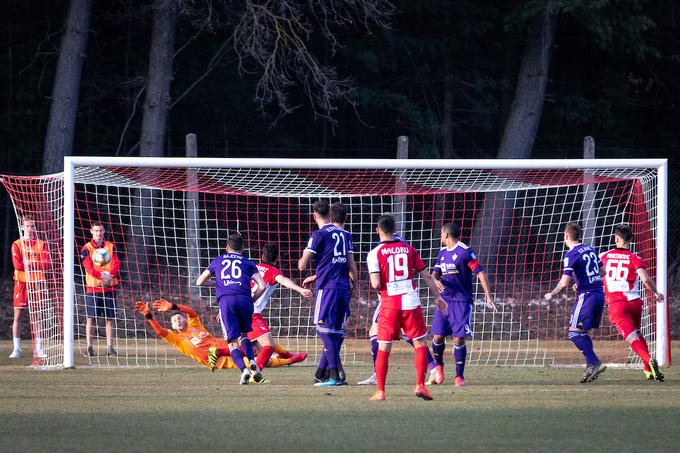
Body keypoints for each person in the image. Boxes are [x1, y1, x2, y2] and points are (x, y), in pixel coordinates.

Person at [366, 214, 445, 401]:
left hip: (390, 303)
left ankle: (381, 391)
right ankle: (420, 385)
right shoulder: (408, 249)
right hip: (410, 301)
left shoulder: (374, 253)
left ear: (377, 230)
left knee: (384, 345)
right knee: (419, 343)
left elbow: (376, 283)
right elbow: (427, 276)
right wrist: (438, 297)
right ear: (395, 230)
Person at [209, 242, 312, 370]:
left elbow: (235, 285)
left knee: (256, 349)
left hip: (234, 306)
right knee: (269, 346)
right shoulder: (273, 272)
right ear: (277, 258)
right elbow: (284, 281)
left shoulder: (252, 267)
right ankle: (256, 373)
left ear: (262, 256)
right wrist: (300, 290)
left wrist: (225, 309)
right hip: (251, 312)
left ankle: (218, 352)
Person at [353, 232, 438, 386]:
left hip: (391, 299)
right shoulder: (403, 245)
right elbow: (422, 273)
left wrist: (381, 291)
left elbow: (378, 280)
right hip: (408, 297)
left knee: (377, 332)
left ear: (379, 229)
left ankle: (377, 377)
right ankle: (433, 369)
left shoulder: (379, 249)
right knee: (413, 336)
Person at [133, 299, 298, 373]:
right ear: (173, 328)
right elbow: (161, 332)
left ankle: (286, 353)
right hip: (222, 361)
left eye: (179, 317)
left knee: (260, 345)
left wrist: (173, 307)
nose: (177, 320)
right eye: (174, 321)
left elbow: (191, 311)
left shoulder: (194, 325)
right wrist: (149, 316)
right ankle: (290, 360)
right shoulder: (179, 340)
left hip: (228, 345)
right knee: (257, 363)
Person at [298, 201, 357, 386]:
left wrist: (306, 256)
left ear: (315, 215)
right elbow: (351, 264)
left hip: (327, 289)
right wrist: (352, 286)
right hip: (343, 287)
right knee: (336, 333)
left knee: (323, 331)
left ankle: (335, 374)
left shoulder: (318, 234)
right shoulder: (345, 234)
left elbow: (302, 265)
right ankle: (321, 373)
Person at [430, 222, 496, 387]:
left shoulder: (465, 252)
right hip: (444, 301)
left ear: (446, 235)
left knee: (458, 339)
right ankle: (439, 367)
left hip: (461, 301)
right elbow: (434, 273)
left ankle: (459, 376)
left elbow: (480, 272)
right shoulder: (442, 252)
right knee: (437, 336)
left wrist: (488, 295)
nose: (440, 237)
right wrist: (435, 280)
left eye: (441, 234)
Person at [196, 233, 267, 384]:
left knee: (232, 342)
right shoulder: (248, 263)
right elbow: (262, 285)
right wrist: (252, 299)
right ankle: (252, 362)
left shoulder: (218, 260)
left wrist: (220, 284)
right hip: (245, 300)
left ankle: (244, 370)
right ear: (242, 249)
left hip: (227, 301)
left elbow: (199, 282)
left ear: (227, 248)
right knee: (245, 336)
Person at [599, 224, 664, 381]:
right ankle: (648, 369)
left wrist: (579, 284)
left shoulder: (604, 255)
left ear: (616, 238)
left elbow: (595, 275)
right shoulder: (635, 258)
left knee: (632, 338)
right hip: (634, 303)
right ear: (631, 240)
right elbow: (646, 280)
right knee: (637, 333)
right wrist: (656, 293)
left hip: (617, 305)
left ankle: (649, 359)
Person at [545, 222, 607, 383]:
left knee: (574, 333)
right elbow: (603, 272)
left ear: (566, 236)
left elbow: (564, 282)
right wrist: (581, 281)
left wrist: (552, 293)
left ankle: (594, 362)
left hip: (587, 296)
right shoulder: (590, 249)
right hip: (599, 294)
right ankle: (590, 365)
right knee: (582, 332)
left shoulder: (570, 254)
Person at [9, 217, 49, 359]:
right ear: (22, 227)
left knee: (38, 317)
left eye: (32, 226)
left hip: (37, 283)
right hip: (21, 283)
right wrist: (35, 263)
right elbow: (18, 265)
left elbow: (45, 264)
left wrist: (28, 263)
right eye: (28, 226)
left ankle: (38, 350)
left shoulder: (42, 244)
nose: (30, 229)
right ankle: (17, 349)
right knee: (18, 316)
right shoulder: (17, 244)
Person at [80, 222, 120, 357]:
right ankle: (89, 348)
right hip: (93, 288)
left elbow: (116, 264)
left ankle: (110, 348)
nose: (98, 233)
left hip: (109, 287)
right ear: (91, 231)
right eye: (96, 230)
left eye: (101, 230)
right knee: (91, 318)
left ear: (104, 231)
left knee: (110, 318)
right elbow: (88, 267)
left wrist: (111, 276)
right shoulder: (86, 248)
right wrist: (101, 276)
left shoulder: (111, 247)